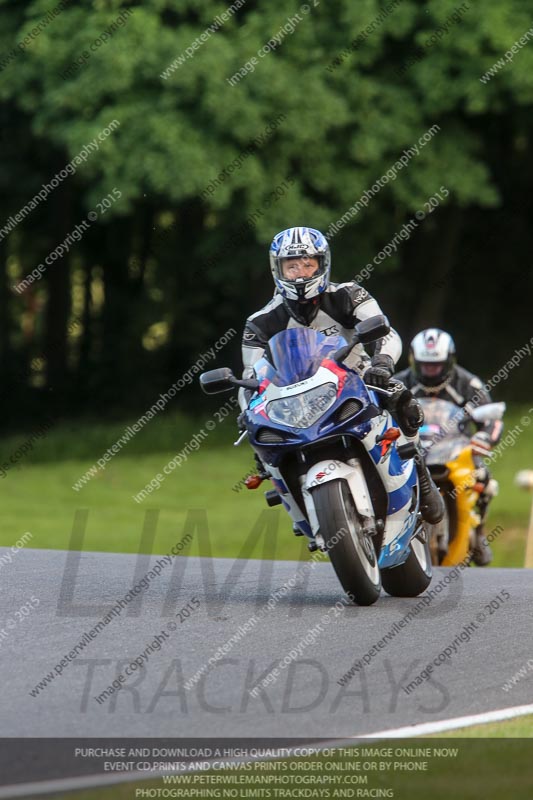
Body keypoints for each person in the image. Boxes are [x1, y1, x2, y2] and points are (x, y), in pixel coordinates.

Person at [238, 226, 444, 526]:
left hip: (356, 380)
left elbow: (385, 332)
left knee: (402, 397)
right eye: (291, 265)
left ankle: (421, 475)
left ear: (322, 264)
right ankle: (296, 504)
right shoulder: (260, 321)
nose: (300, 273)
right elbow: (249, 375)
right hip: (295, 398)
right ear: (277, 269)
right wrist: (246, 410)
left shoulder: (349, 294)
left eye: (308, 264)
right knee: (260, 439)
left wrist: (383, 363)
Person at [395, 328, 503, 565]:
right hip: (414, 449)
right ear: (414, 360)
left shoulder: (468, 383)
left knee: (483, 478)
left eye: (435, 365)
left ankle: (479, 531)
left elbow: (491, 419)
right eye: (424, 365)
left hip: (456, 448)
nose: (430, 370)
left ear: (449, 360)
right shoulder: (400, 383)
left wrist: (484, 438)